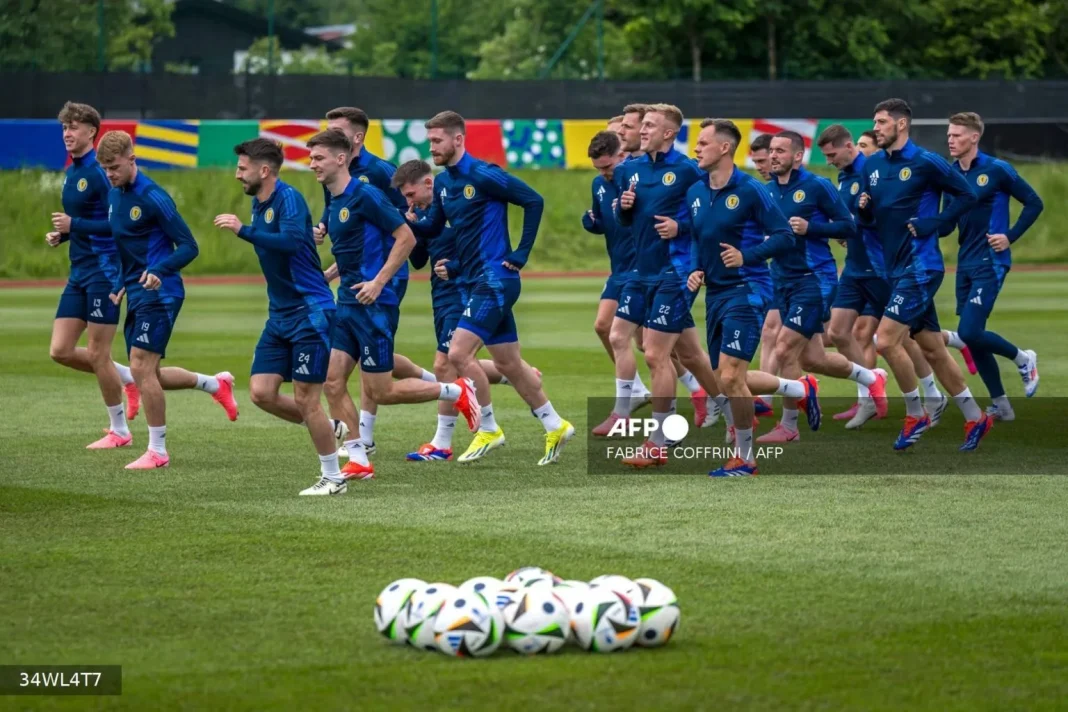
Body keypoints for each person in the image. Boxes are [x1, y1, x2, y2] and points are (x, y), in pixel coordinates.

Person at [306, 128, 479, 492]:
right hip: (349, 301)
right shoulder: (335, 201)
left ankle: (457, 390)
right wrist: (331, 274)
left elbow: (406, 237)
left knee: (381, 390)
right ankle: (357, 459)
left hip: (375, 304)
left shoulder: (366, 195)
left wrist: (379, 282)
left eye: (318, 158)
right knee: (333, 382)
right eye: (311, 158)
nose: (312, 164)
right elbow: (355, 249)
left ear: (341, 158)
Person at [407, 111, 575, 466]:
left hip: (494, 280)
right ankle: (554, 423)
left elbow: (534, 200)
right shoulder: (443, 184)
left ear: (457, 140)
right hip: (473, 280)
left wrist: (521, 253)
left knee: (457, 354)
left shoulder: (483, 174)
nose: (432, 147)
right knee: (509, 363)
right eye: (430, 141)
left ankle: (489, 427)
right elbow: (434, 225)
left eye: (437, 141)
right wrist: (400, 221)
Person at [94, 131, 238, 470]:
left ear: (132, 159)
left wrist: (159, 268)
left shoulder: (154, 196)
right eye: (105, 169)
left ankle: (158, 451)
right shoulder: (115, 196)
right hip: (138, 291)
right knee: (150, 372)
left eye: (114, 167)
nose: (110, 174)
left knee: (140, 366)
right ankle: (214, 384)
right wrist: (120, 282)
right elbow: (125, 247)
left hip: (162, 292)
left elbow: (189, 246)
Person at [688, 119, 821, 477]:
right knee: (725, 376)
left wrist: (747, 256)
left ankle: (744, 458)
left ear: (725, 148)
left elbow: (784, 236)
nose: (696, 149)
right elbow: (699, 238)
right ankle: (799, 387)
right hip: (714, 293)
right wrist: (696, 268)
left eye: (703, 143)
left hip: (747, 290)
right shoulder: (697, 191)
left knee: (731, 377)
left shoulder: (749, 189)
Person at [859, 98, 991, 451]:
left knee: (886, 340)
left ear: (902, 125)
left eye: (882, 122)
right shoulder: (872, 167)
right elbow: (874, 220)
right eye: (875, 122)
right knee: (932, 348)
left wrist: (936, 223)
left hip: (921, 267)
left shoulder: (925, 161)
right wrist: (865, 211)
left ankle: (916, 413)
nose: (877, 128)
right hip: (895, 268)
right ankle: (975, 416)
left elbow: (968, 195)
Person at [213, 138, 343, 494]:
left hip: (310, 310)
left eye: (243, 168)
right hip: (281, 314)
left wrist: (244, 231)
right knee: (261, 392)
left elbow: (288, 241)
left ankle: (333, 477)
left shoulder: (288, 199)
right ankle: (330, 430)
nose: (238, 175)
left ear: (264, 170)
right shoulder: (260, 203)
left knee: (306, 399)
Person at [390, 159, 542, 460]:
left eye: (411, 194)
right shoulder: (428, 214)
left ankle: (443, 443)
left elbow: (478, 247)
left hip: (467, 289)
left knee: (444, 363)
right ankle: (515, 373)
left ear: (428, 183)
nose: (410, 201)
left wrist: (459, 267)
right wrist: (412, 224)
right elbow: (420, 259)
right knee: (457, 360)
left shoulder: (460, 203)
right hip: (441, 293)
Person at [316, 106, 433, 459]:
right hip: (353, 280)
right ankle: (361, 444)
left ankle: (364, 438)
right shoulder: (335, 173)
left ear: (356, 138)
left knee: (375, 377)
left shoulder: (380, 173)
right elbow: (337, 217)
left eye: (336, 131)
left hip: (385, 279)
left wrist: (414, 261)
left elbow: (410, 219)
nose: (329, 138)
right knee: (345, 374)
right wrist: (323, 230)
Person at [757, 130, 888, 444]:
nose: (773, 156)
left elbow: (849, 226)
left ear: (798, 156)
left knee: (784, 347)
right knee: (811, 359)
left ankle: (789, 427)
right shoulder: (766, 192)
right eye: (771, 151)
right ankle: (872, 377)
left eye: (780, 151)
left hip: (814, 279)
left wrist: (811, 228)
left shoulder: (817, 186)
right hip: (782, 279)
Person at [607, 104, 720, 467]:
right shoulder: (630, 170)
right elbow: (625, 222)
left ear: (669, 133)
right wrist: (622, 208)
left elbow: (713, 216)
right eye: (643, 125)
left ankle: (659, 440)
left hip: (676, 272)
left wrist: (680, 228)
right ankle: (731, 409)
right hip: (641, 273)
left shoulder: (688, 171)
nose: (642, 130)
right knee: (688, 354)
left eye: (650, 125)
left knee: (655, 353)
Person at [46, 102, 142, 449]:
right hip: (80, 271)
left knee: (98, 353)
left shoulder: (102, 172)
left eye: (74, 127)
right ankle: (129, 378)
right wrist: (67, 234)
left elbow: (120, 222)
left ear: (91, 132)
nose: (68, 134)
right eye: (64, 128)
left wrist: (76, 225)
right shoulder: (73, 171)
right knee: (60, 350)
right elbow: (89, 221)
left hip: (105, 271)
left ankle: (120, 430)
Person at [940, 111, 1043, 420]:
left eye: (957, 135)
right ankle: (1001, 404)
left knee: (969, 330)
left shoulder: (997, 169)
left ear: (974, 137)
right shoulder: (949, 174)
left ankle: (1023, 358)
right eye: (949, 135)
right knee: (973, 335)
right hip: (965, 263)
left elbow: (1034, 202)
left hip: (991, 260)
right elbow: (946, 225)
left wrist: (1009, 237)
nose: (951, 139)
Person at [583, 131, 654, 434]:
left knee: (646, 344)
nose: (604, 173)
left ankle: (624, 409)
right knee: (604, 327)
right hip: (619, 270)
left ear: (622, 155)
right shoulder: (599, 184)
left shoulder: (637, 180)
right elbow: (606, 221)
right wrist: (593, 223)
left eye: (608, 166)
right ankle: (636, 391)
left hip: (642, 269)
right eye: (599, 168)